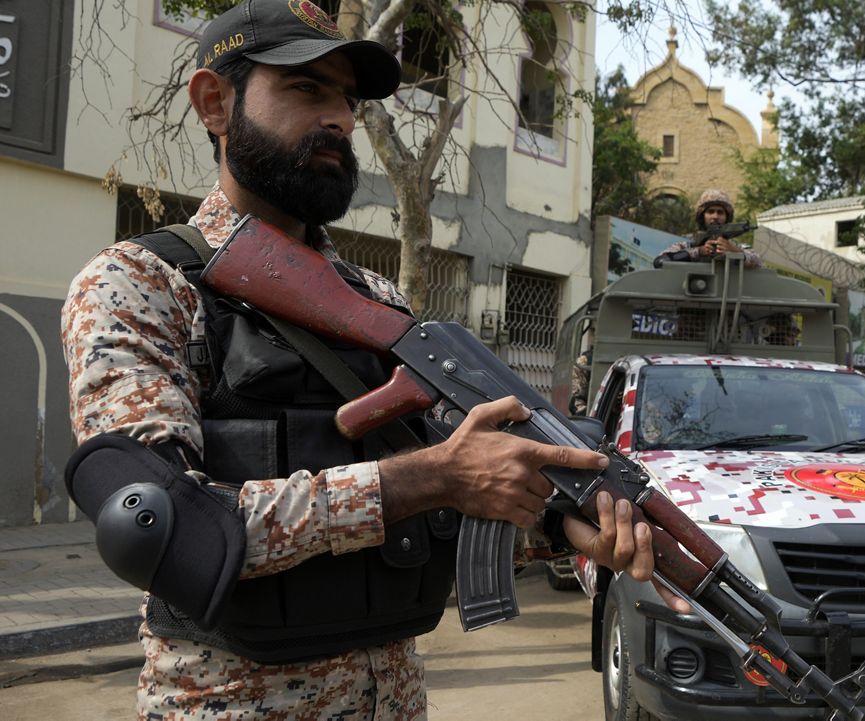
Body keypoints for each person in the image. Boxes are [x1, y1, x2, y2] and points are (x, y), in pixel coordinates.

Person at [60, 2, 683, 717]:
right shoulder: (141, 284)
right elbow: (162, 530)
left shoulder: (376, 301)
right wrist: (425, 478)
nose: (340, 119)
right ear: (215, 102)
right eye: (306, 89)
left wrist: (552, 524)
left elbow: (443, 507)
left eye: (348, 100)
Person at [656, 189, 763, 268]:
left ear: (727, 217)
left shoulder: (735, 246)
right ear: (702, 216)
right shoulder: (687, 244)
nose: (715, 216)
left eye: (720, 212)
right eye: (710, 211)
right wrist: (698, 251)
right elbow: (660, 262)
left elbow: (760, 263)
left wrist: (735, 252)